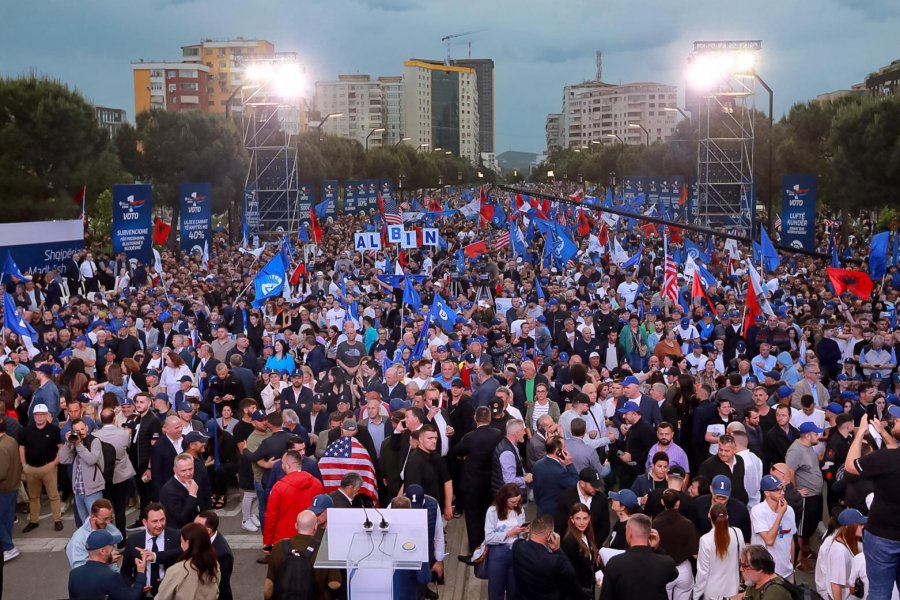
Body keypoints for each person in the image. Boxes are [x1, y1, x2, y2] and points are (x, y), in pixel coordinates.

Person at [843, 412, 900, 600]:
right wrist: (883, 432)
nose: (895, 420)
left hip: (882, 537)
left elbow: (851, 466)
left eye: (899, 419)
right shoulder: (890, 457)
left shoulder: (886, 458)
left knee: (879, 592)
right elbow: (894, 449)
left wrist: (859, 433)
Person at [452, 405, 504, 558]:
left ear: (475, 418)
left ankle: (476, 551)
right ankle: (490, 546)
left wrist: (465, 456)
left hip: (472, 484)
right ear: (489, 418)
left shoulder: (470, 437)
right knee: (489, 515)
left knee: (473, 518)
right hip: (491, 483)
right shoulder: (498, 434)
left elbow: (456, 451)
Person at [599, 513, 678, 600]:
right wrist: (657, 548)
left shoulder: (615, 563)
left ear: (630, 533)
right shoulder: (665, 563)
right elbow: (674, 573)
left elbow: (605, 597)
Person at [511, 513, 584, 600]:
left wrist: (526, 534)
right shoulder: (554, 560)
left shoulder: (517, 546)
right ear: (550, 535)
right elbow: (570, 573)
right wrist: (557, 549)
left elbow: (520, 540)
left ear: (532, 529)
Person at [263, 449, 324, 549]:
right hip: (310, 537)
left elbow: (271, 516)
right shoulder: (316, 483)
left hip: (284, 539)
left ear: (287, 465)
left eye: (282, 462)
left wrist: (267, 541)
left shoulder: (279, 487)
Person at [785, 420, 825, 570]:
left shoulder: (808, 446)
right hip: (805, 498)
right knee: (802, 529)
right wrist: (795, 492)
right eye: (816, 433)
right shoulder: (796, 450)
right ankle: (800, 559)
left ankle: (806, 551)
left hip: (815, 495)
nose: (818, 436)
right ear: (808, 436)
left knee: (810, 526)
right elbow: (790, 471)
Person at [120, 502, 182, 597]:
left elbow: (183, 555)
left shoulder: (176, 536)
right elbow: (125, 572)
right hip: (143, 596)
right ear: (145, 522)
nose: (160, 524)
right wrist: (134, 586)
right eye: (155, 521)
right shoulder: (133, 541)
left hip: (170, 595)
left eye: (162, 520)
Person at [19, 402, 63, 533]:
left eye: (42, 415)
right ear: (33, 416)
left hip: (48, 467)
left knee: (53, 495)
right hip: (31, 469)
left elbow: (60, 447)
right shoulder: (26, 430)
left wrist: (55, 462)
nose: (39, 417)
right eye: (37, 415)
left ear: (46, 416)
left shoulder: (54, 430)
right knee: (33, 496)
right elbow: (21, 447)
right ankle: (33, 521)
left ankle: (57, 520)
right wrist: (23, 465)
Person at [67, 529, 147, 600]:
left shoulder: (74, 574)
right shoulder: (110, 576)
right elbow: (133, 598)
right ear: (102, 551)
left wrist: (107, 562)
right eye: (111, 545)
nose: (114, 548)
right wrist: (141, 573)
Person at [58, 416, 106, 529]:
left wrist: (79, 445)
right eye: (77, 431)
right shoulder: (74, 443)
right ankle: (88, 545)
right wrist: (68, 443)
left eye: (82, 429)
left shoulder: (95, 441)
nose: (80, 433)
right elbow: (63, 460)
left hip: (93, 490)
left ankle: (101, 544)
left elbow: (91, 460)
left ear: (87, 428)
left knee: (97, 522)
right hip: (78, 490)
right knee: (85, 524)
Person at [652, 489, 698, 600]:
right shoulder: (687, 524)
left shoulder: (655, 524)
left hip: (662, 571)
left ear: (662, 502)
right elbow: (695, 554)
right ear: (678, 503)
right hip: (683, 570)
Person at [154, 522, 220, 600]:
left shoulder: (177, 570)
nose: (180, 544)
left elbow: (162, 598)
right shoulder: (214, 564)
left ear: (188, 543)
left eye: (181, 541)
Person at [483, 483, 527, 600]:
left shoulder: (520, 510)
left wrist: (524, 532)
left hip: (515, 552)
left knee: (515, 590)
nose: (515, 504)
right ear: (504, 498)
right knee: (496, 590)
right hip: (497, 553)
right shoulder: (492, 511)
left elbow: (521, 535)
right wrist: (508, 533)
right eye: (512, 502)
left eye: (517, 501)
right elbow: (489, 537)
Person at [693, 502, 745, 600]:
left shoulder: (705, 540)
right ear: (727, 516)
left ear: (709, 516)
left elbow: (703, 573)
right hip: (733, 591)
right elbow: (741, 559)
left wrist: (696, 595)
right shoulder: (737, 533)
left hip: (711, 594)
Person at [750, 475, 797, 580]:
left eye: (782, 489)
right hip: (766, 573)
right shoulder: (758, 511)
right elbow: (769, 540)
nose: (782, 493)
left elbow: (791, 540)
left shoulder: (789, 510)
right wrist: (780, 515)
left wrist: (791, 566)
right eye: (777, 490)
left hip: (787, 572)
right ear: (767, 493)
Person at [814, 508, 866, 600]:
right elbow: (835, 585)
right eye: (859, 524)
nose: (863, 527)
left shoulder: (846, 540)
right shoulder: (839, 551)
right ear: (849, 527)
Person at [554, 467, 610, 549]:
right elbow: (560, 526)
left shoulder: (601, 498)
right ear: (582, 483)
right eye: (593, 485)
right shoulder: (565, 498)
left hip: (594, 548)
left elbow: (605, 526)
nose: (596, 488)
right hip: (570, 549)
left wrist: (594, 545)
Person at [66, 498, 123, 569]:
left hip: (111, 572)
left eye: (110, 518)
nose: (108, 522)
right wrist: (107, 561)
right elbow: (79, 568)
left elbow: (119, 536)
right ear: (93, 516)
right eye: (105, 519)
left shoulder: (105, 525)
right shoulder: (77, 540)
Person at [531, 435, 579, 517]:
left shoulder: (537, 465)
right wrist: (569, 464)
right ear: (558, 451)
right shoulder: (559, 472)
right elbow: (575, 483)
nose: (566, 449)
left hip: (541, 509)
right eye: (564, 447)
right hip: (555, 514)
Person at [560, 503, 600, 598]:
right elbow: (569, 573)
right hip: (577, 594)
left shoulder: (588, 536)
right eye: (578, 518)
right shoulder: (569, 542)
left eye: (585, 518)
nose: (582, 522)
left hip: (588, 590)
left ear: (589, 518)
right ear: (572, 519)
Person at [195, 511, 234, 600]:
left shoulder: (223, 554)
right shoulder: (202, 537)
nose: (193, 529)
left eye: (196, 527)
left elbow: (219, 585)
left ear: (208, 530)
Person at [0, 416, 23, 563]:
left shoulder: (1, 447)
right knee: (6, 520)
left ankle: (8, 547)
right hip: (13, 485)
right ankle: (6, 546)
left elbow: (1, 472)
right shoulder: (11, 440)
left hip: (4, 487)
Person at [158, 453, 201, 529]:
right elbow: (182, 518)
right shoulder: (169, 490)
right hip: (180, 532)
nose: (188, 473)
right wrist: (192, 495)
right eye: (183, 470)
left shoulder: (194, 481)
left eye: (190, 469)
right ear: (174, 470)